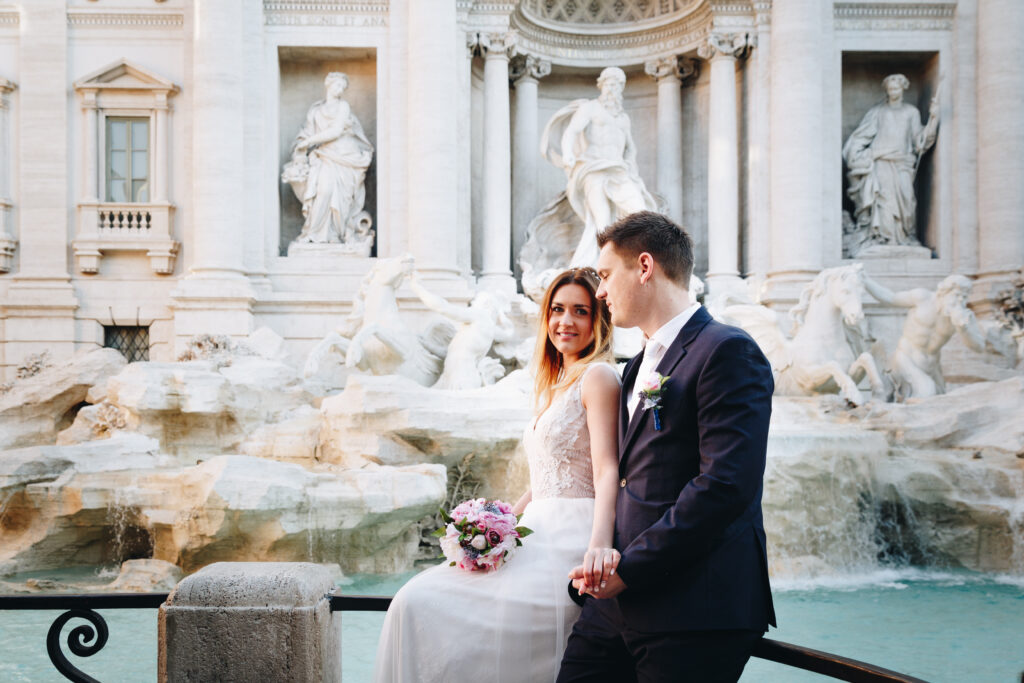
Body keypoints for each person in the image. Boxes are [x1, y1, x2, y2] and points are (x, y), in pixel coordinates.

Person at [374, 268, 622, 682]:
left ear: (598, 320)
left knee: (425, 603)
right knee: (413, 598)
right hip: (537, 526)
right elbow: (549, 474)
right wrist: (502, 517)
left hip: (570, 534)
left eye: (581, 311)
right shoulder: (558, 381)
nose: (566, 321)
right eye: (558, 309)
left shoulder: (599, 376)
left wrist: (597, 546)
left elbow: (607, 467)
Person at [558, 211, 776, 683]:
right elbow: (624, 471)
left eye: (605, 275)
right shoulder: (635, 367)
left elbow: (724, 485)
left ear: (644, 267)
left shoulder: (727, 350)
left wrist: (631, 568)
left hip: (695, 610)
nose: (599, 292)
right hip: (614, 605)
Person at [541, 67, 657, 268]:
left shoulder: (623, 118)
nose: (612, 88)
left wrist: (633, 172)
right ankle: (603, 269)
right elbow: (572, 132)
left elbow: (630, 148)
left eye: (617, 84)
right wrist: (568, 153)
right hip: (593, 170)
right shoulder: (591, 109)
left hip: (619, 171)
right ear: (601, 86)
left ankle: (633, 263)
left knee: (640, 212)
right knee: (602, 221)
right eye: (609, 84)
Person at [842, 74, 939, 253]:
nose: (893, 92)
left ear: (903, 88)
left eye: (896, 89)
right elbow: (860, 137)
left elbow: (920, 141)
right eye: (890, 89)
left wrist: (933, 121)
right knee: (884, 201)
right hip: (881, 163)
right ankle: (885, 240)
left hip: (903, 162)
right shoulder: (878, 112)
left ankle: (905, 237)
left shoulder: (911, 112)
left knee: (907, 200)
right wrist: (861, 154)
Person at [282, 72, 374, 246]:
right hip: (324, 156)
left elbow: (336, 131)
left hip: (344, 155)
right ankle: (314, 234)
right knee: (323, 191)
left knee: (339, 197)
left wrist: (309, 142)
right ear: (328, 85)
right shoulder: (316, 110)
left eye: (343, 87)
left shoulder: (343, 106)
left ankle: (335, 235)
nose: (340, 90)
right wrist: (300, 147)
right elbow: (307, 133)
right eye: (337, 85)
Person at [862, 273, 988, 399]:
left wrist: (963, 328)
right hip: (906, 358)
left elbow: (978, 347)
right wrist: (865, 281)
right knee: (926, 392)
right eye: (956, 295)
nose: (960, 300)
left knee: (938, 402)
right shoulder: (922, 298)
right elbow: (890, 298)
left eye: (964, 297)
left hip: (932, 367)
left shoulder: (963, 317)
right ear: (943, 293)